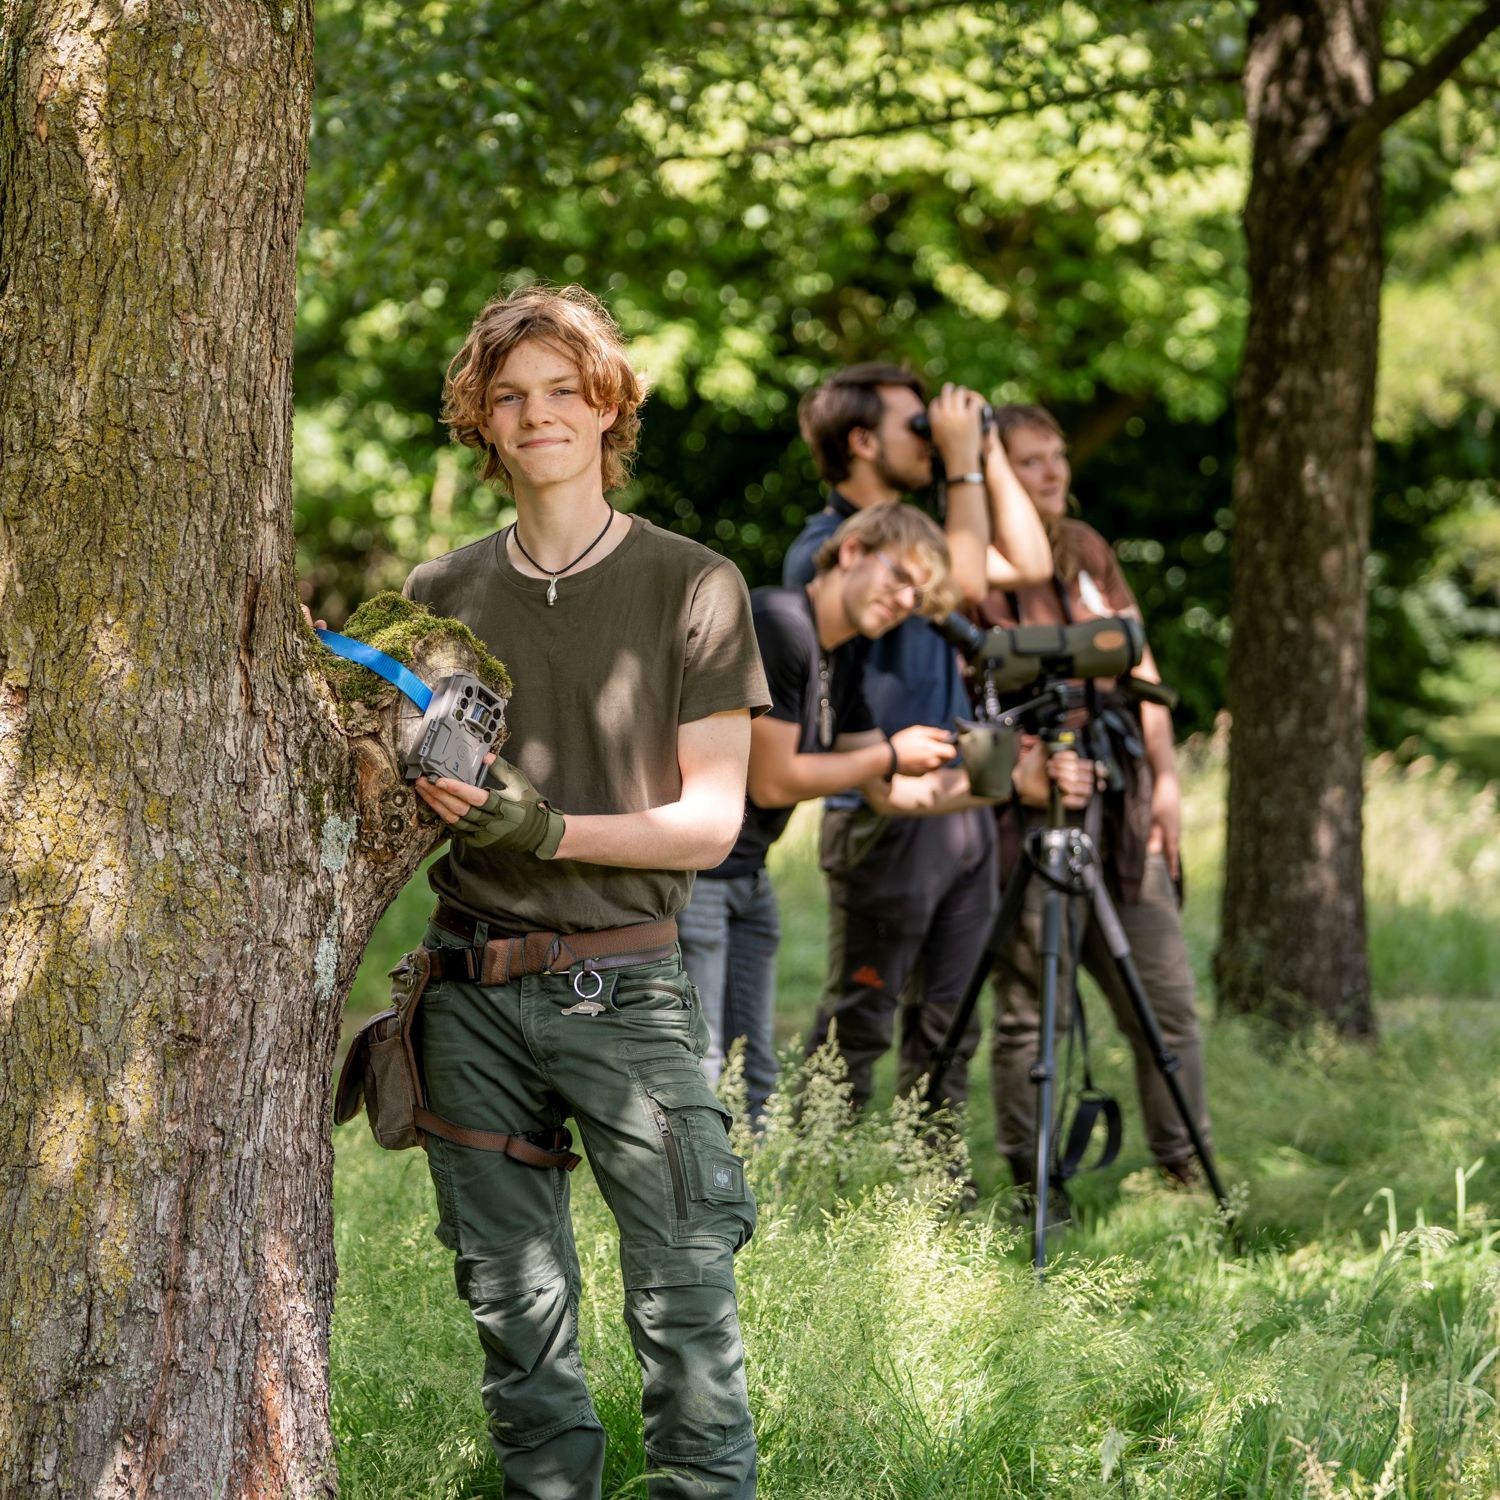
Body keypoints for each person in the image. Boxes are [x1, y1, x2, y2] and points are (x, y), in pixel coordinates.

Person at [400, 284, 770, 1499]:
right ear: (482, 421)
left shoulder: (695, 584)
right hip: (469, 991)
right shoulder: (437, 595)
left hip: (627, 986)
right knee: (515, 1318)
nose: (537, 413)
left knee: (684, 1296)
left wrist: (544, 826)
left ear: (608, 404)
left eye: (564, 389)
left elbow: (712, 824)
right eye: (510, 395)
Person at [783, 364, 1052, 1112]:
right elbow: (965, 580)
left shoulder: (922, 545)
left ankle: (934, 1193)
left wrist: (987, 449)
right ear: (863, 441)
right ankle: (812, 1177)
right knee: (858, 1023)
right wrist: (962, 461)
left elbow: (1030, 563)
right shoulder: (836, 547)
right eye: (917, 427)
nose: (933, 438)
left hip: (953, 802)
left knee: (951, 1020)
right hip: (884, 806)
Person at [979, 402, 1213, 1196]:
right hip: (1023, 815)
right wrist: (1025, 769)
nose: (1054, 473)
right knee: (1026, 1016)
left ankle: (1186, 1168)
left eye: (1058, 456)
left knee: (1167, 1000)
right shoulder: (969, 559)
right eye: (1031, 460)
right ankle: (1034, 1185)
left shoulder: (1084, 548)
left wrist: (1168, 784)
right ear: (995, 471)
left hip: (1118, 806)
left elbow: (1140, 673)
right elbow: (965, 698)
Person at [680, 504, 971, 1121]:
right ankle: (689, 1209)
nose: (903, 601)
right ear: (852, 550)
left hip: (747, 874)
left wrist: (993, 782)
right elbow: (777, 779)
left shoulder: (848, 654)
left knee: (754, 1070)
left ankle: (751, 1206)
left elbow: (887, 789)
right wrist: (894, 751)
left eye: (916, 595)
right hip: (699, 872)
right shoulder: (780, 623)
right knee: (699, 1066)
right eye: (899, 577)